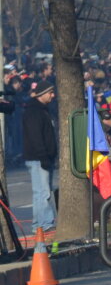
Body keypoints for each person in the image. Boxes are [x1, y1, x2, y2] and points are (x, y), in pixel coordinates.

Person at [22, 81, 57, 234]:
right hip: (38, 158)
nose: (53, 95)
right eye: (50, 92)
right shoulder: (34, 112)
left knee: (43, 192)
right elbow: (36, 136)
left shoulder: (43, 110)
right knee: (43, 193)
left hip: (43, 157)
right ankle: (44, 224)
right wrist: (43, 156)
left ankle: (40, 223)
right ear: (42, 94)